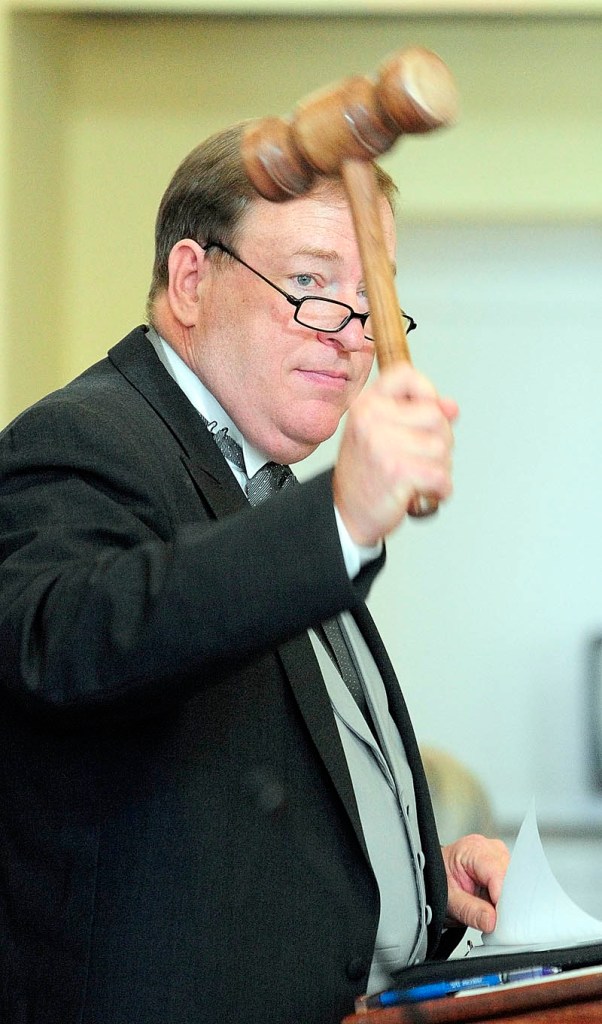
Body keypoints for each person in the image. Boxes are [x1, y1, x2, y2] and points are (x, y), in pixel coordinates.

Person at [0, 122, 508, 1024]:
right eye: (310, 286)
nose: (350, 337)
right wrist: (343, 517)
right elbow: (70, 643)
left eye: (368, 301)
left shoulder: (272, 490)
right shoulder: (83, 439)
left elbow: (266, 789)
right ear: (192, 280)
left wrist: (424, 882)